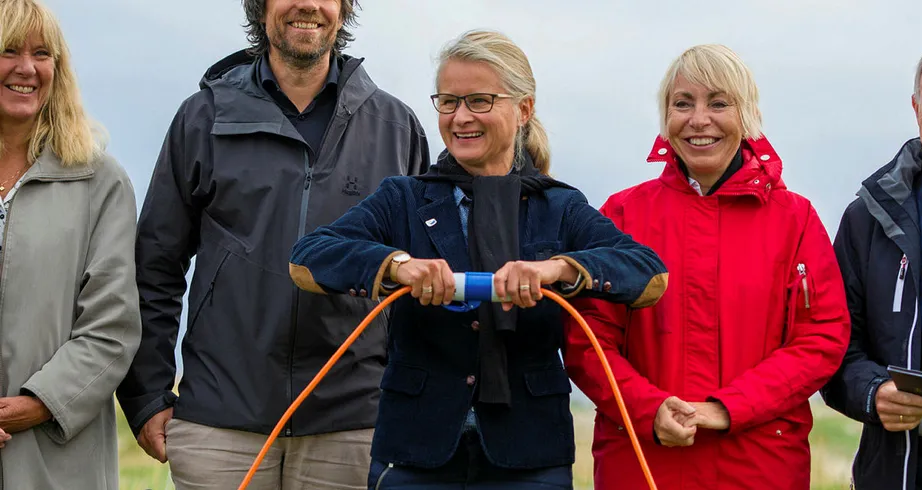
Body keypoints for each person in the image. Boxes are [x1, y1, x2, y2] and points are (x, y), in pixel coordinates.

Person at [288, 29, 669, 490]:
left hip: (529, 455)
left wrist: (557, 269)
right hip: (415, 451)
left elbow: (649, 275)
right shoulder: (403, 198)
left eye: (480, 101)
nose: (460, 117)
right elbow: (307, 260)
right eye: (448, 102)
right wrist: (397, 265)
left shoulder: (560, 207)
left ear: (523, 109)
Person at [114, 0, 430, 487]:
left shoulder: (396, 127)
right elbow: (155, 266)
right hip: (219, 425)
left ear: (344, 10)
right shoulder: (203, 117)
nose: (307, 5)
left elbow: (422, 285)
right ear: (260, 7)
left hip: (355, 426)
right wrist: (147, 397)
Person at [562, 43, 851, 490]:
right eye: (683, 104)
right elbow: (588, 339)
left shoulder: (795, 220)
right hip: (642, 463)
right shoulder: (622, 215)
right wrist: (648, 408)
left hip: (759, 467)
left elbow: (820, 336)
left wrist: (728, 407)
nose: (699, 120)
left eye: (719, 103)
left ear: (748, 115)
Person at [821, 19, 922, 490]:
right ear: (916, 110)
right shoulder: (866, 220)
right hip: (903, 470)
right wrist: (874, 393)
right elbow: (834, 345)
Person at [0, 0, 141, 488]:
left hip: (56, 459)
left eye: (42, 53)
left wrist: (35, 405)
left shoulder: (100, 183)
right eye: (8, 50)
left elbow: (112, 327)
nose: (26, 68)